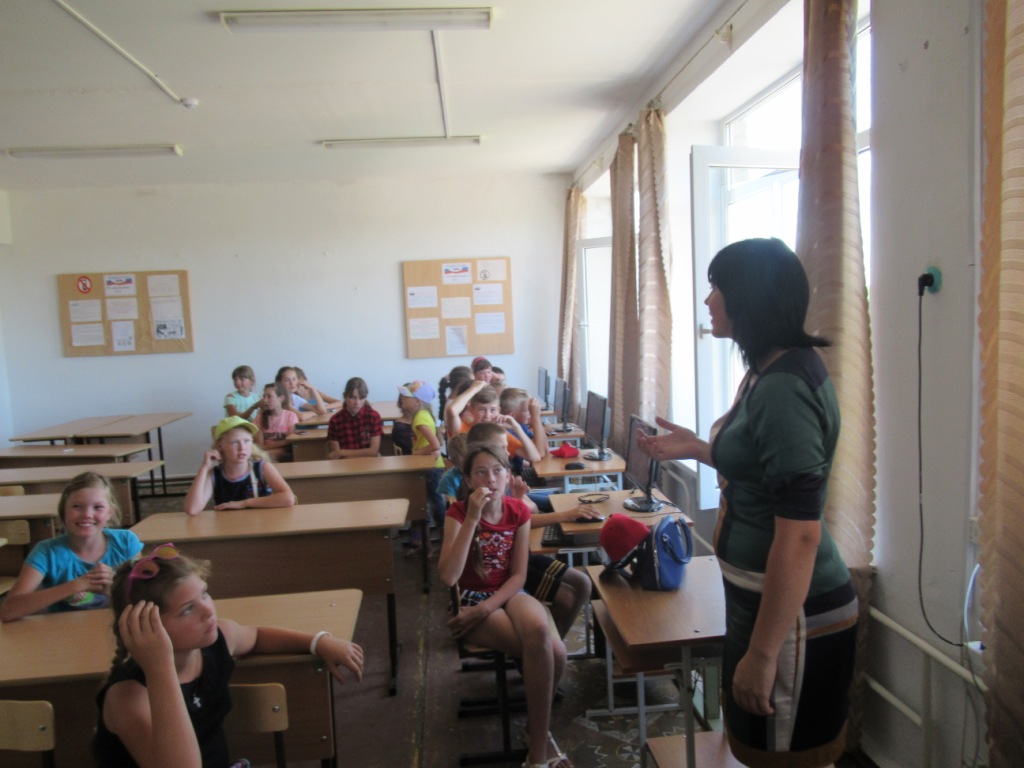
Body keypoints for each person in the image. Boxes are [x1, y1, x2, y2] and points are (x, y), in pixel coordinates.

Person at [637, 238, 857, 768]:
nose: (708, 300)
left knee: (785, 756)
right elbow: (765, 468)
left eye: (718, 287)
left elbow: (800, 534)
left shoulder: (783, 388)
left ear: (750, 297)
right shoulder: (768, 369)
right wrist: (698, 448)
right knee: (757, 747)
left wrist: (762, 654)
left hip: (792, 616)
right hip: (759, 602)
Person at [94, 544, 363, 767]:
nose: (208, 611)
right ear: (146, 628)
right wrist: (160, 667)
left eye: (205, 594)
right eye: (187, 609)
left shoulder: (217, 640)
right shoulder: (128, 697)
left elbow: (255, 636)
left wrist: (318, 642)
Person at [438, 443, 572, 768]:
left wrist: (487, 609)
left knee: (545, 637)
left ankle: (535, 731)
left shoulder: (518, 511)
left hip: (508, 593)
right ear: (468, 481)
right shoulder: (457, 515)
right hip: (471, 599)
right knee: (551, 653)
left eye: (498, 471)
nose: (491, 479)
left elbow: (518, 576)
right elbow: (448, 576)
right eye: (481, 473)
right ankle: (539, 749)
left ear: (508, 475)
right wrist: (472, 518)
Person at [466, 421, 596, 640]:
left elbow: (526, 513)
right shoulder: (485, 490)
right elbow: (521, 521)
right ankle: (545, 646)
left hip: (522, 554)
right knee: (566, 597)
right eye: (502, 447)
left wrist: (519, 500)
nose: (508, 452)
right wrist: (564, 515)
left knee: (583, 583)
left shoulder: (503, 477)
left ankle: (554, 643)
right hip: (509, 566)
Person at [0, 472, 143, 621]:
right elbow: (7, 611)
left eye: (98, 507)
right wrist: (77, 585)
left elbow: (144, 601)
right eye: (77, 507)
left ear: (109, 513)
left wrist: (115, 586)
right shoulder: (46, 552)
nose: (87, 514)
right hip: (62, 629)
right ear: (64, 511)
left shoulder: (126, 543)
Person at [183, 416, 297, 516]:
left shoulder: (262, 467)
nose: (242, 448)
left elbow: (288, 498)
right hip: (228, 528)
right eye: (234, 442)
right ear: (220, 445)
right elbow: (192, 509)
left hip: (260, 526)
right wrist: (204, 468)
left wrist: (244, 503)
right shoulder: (215, 474)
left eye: (246, 441)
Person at [398, 380, 445, 556]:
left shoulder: (420, 418)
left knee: (434, 507)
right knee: (425, 506)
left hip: (431, 469)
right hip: (430, 467)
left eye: (406, 397)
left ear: (417, 401)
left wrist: (416, 453)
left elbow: (435, 445)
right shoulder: (423, 415)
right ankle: (427, 547)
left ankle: (442, 547)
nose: (402, 399)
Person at [326, 376, 384, 459]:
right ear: (344, 396)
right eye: (353, 397)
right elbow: (337, 455)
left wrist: (342, 452)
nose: (357, 402)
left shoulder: (373, 416)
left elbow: (373, 452)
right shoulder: (335, 420)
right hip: (345, 462)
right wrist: (341, 454)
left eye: (361, 398)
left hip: (369, 461)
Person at [255, 382, 299, 461]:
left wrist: (267, 448)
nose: (265, 400)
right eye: (264, 396)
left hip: (283, 453)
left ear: (281, 398)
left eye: (269, 396)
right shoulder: (260, 417)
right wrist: (282, 443)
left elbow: (290, 442)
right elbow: (260, 446)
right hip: (264, 454)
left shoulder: (291, 416)